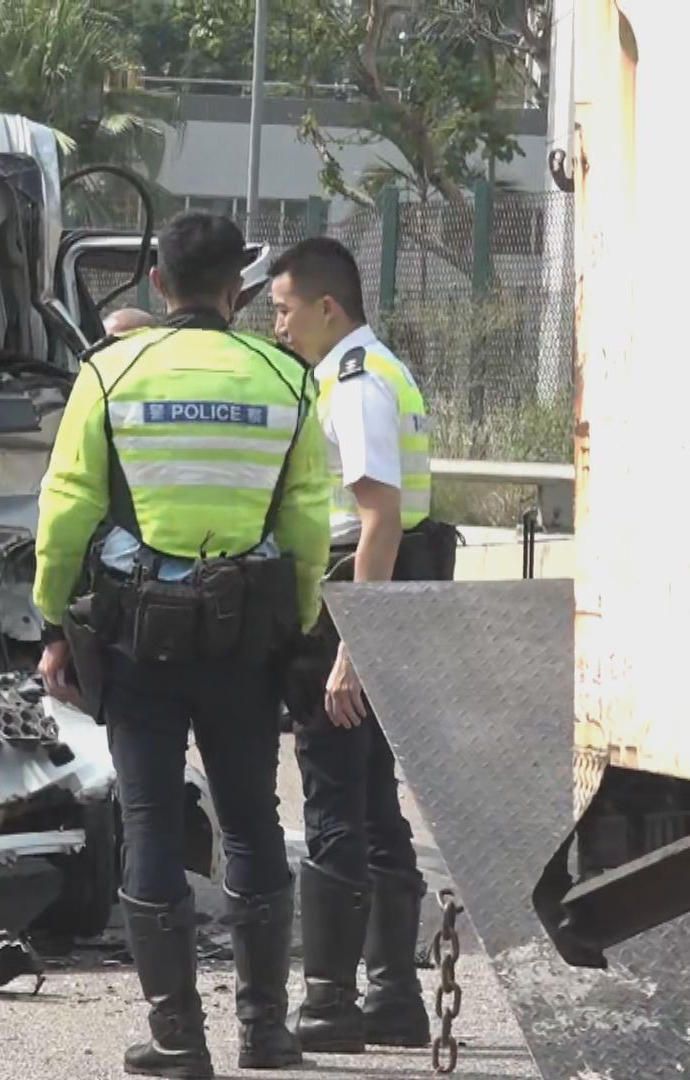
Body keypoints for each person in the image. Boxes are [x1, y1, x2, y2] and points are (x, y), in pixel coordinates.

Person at [35, 212, 331, 1078]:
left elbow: (66, 511)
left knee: (152, 822)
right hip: (249, 642)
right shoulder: (288, 377)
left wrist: (54, 622)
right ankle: (267, 1034)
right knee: (251, 824)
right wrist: (300, 622)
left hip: (134, 642)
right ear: (236, 291)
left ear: (156, 285)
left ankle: (177, 1039)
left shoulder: (110, 371)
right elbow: (307, 521)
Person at [269, 237, 445, 1052]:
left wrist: (352, 646)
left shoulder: (355, 384)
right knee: (374, 797)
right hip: (394, 596)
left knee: (336, 798)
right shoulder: (385, 369)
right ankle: (395, 1000)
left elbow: (376, 515)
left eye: (284, 308)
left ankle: (332, 1004)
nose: (279, 324)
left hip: (356, 598)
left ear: (326, 307)